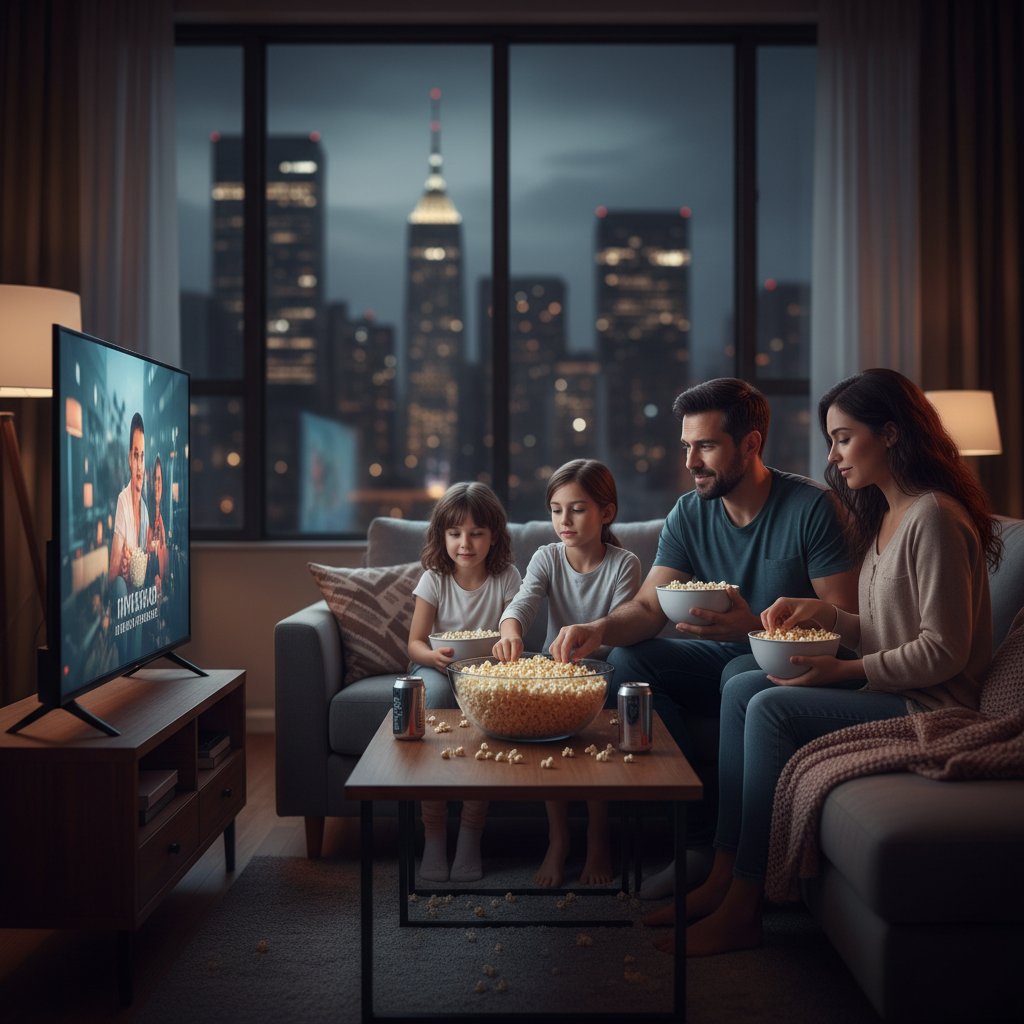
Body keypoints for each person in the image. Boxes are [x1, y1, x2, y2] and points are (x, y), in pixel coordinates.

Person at [649, 367, 1001, 956]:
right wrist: (826, 618)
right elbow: (889, 631)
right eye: (831, 441)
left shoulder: (934, 517)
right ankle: (722, 875)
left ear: (890, 434)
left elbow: (944, 651)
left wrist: (847, 669)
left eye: (842, 438)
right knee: (742, 688)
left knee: (768, 709)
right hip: (895, 687)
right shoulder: (889, 515)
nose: (833, 456)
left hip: (932, 704)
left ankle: (745, 906)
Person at [549, 379, 858, 894]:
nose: (691, 461)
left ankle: (727, 858)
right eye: (686, 446)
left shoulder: (811, 508)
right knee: (632, 661)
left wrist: (755, 625)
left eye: (707, 446)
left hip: (796, 668)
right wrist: (598, 628)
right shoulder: (690, 512)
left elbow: (846, 623)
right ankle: (693, 841)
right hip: (723, 658)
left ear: (751, 444)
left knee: (741, 670)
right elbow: (649, 606)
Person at [493, 459, 641, 888]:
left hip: (603, 675)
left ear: (606, 512)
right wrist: (510, 632)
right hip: (553, 677)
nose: (564, 520)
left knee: (595, 748)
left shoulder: (624, 563)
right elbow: (521, 604)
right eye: (556, 509)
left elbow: (623, 629)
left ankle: (597, 838)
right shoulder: (546, 557)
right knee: (550, 743)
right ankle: (558, 839)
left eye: (577, 508)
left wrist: (588, 657)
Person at [407, 481, 522, 882]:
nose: (465, 543)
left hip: (486, 673)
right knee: (433, 700)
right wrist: (434, 658)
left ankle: (470, 834)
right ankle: (435, 834)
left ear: (494, 536)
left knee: (485, 718)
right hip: (438, 668)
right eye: (455, 533)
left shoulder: (506, 577)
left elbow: (512, 634)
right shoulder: (435, 578)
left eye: (476, 533)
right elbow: (416, 644)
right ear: (442, 537)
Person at [108, 412, 151, 663]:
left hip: (139, 593)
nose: (139, 465)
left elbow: (143, 561)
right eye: (136, 455)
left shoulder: (144, 509)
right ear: (129, 459)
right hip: (128, 595)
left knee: (140, 594)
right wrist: (124, 565)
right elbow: (114, 571)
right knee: (123, 589)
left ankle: (132, 664)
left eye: (143, 456)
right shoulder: (123, 500)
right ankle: (125, 666)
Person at [146, 454, 169, 587]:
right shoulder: (146, 516)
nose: (157, 484)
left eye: (159, 479)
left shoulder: (163, 517)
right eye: (155, 479)